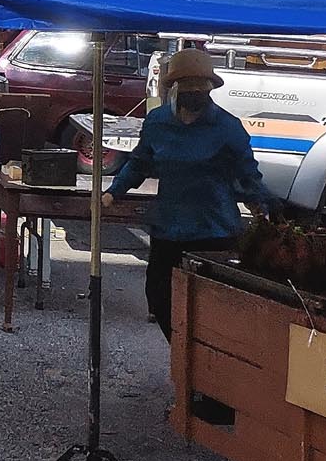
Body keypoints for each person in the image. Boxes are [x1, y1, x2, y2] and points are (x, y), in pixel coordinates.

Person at [108, 48, 269, 339]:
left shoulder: (228, 128)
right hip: (169, 229)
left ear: (210, 89)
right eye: (189, 85)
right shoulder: (157, 122)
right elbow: (140, 162)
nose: (195, 91)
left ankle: (205, 372)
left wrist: (263, 204)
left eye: (201, 86)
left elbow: (248, 175)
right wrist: (113, 192)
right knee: (159, 299)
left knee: (211, 312)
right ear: (175, 88)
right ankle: (181, 357)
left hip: (214, 231)